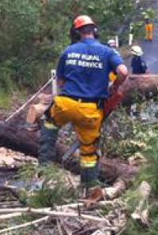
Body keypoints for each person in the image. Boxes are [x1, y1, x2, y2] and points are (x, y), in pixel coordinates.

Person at [39, 15, 129, 188]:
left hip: (65, 104)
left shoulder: (68, 51)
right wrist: (114, 87)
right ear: (94, 31)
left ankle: (44, 173)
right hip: (90, 109)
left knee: (48, 126)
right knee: (89, 154)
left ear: (76, 32)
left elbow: (61, 81)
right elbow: (123, 72)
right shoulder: (107, 52)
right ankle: (89, 190)